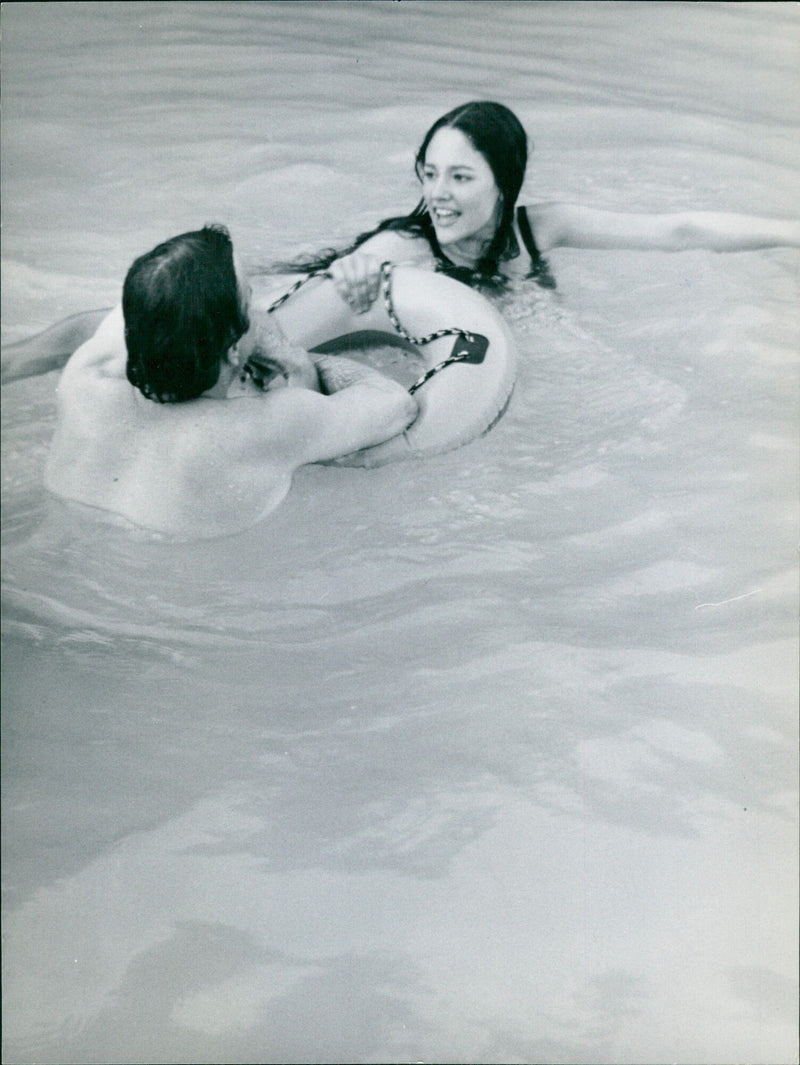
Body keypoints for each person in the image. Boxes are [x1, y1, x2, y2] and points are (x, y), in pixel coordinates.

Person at [39, 225, 417, 538]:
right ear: (235, 350)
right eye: (250, 298)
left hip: (64, 536)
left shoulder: (86, 374)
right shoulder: (257, 427)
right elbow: (395, 403)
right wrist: (295, 359)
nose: (258, 310)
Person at [303, 100, 800, 314]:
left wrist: (790, 231)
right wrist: (353, 269)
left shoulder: (542, 228)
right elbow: (346, 275)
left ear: (504, 184)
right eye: (429, 173)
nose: (437, 193)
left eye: (460, 177)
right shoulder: (406, 247)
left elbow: (678, 231)